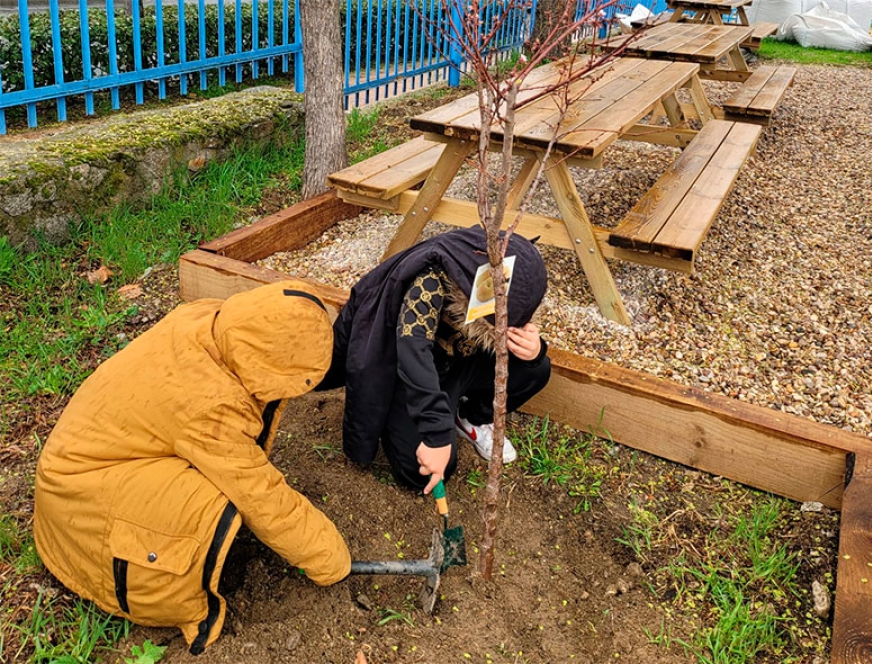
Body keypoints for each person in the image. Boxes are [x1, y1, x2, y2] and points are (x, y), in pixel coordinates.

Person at [33, 281, 351, 655]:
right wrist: (330, 560)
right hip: (79, 501)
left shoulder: (207, 318)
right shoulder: (210, 408)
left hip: (83, 457)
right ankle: (169, 597)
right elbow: (261, 495)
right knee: (205, 503)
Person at [318, 226, 551, 494]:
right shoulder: (428, 281)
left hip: (463, 364)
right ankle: (407, 420)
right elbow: (412, 353)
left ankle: (470, 417)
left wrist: (534, 350)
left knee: (536, 369)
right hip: (412, 377)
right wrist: (436, 433)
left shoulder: (505, 273)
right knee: (421, 473)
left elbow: (517, 339)